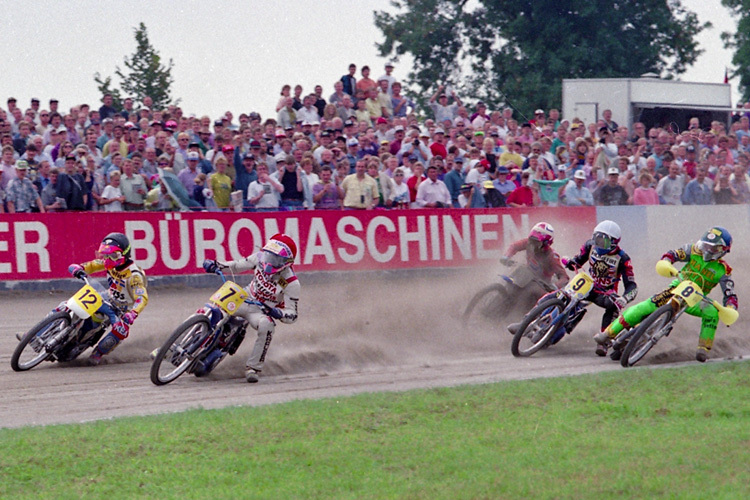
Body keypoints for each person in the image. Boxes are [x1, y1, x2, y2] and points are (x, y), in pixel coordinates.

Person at [596, 227, 737, 363]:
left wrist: (730, 308)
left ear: (722, 251)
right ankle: (607, 334)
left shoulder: (723, 270)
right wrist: (667, 262)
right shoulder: (693, 250)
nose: (707, 249)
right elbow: (673, 254)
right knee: (644, 307)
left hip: (695, 299)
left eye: (712, 248)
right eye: (706, 245)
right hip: (676, 288)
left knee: (712, 312)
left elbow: (730, 293)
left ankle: (703, 348)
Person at [201, 233, 300, 383]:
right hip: (244, 296)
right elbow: (236, 266)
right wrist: (216, 265)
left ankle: (253, 368)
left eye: (276, 259)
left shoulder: (292, 283)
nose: (270, 261)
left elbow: (293, 314)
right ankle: (181, 342)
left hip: (261, 311)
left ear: (287, 262)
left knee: (267, 326)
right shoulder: (259, 257)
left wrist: (278, 313)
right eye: (269, 255)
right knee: (214, 305)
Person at [67, 233, 149, 365]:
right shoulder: (107, 263)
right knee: (68, 303)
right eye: (105, 255)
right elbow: (92, 265)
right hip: (107, 297)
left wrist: (133, 313)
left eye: (113, 256)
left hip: (122, 309)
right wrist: (80, 268)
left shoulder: (134, 276)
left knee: (120, 331)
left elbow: (142, 297)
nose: (108, 259)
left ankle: (98, 353)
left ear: (124, 255)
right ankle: (40, 333)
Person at [564, 220, 638, 355]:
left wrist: (624, 298)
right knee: (563, 293)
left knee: (614, 305)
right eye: (597, 239)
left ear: (614, 242)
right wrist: (570, 262)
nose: (599, 244)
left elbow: (632, 285)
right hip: (587, 284)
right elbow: (578, 260)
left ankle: (605, 339)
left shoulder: (623, 258)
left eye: (604, 242)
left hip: (605, 293)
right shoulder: (589, 246)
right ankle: (538, 315)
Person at [506, 223, 569, 335]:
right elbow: (514, 246)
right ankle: (504, 303)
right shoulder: (529, 243)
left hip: (542, 284)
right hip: (527, 275)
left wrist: (555, 286)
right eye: (532, 240)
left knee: (531, 290)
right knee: (511, 281)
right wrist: (506, 256)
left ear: (546, 244)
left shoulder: (552, 256)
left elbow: (564, 277)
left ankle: (528, 324)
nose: (533, 245)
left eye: (537, 243)